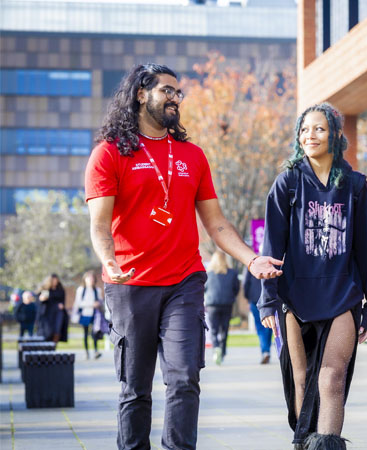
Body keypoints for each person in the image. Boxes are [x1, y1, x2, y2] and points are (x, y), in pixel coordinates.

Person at [84, 63, 283, 450]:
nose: (176, 98)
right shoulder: (108, 154)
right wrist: (109, 261)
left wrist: (251, 259)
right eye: (167, 91)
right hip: (130, 284)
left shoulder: (192, 156)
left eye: (179, 93)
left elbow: (217, 223)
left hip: (184, 282)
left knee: (184, 378)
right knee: (134, 388)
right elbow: (99, 223)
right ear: (141, 94)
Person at [258, 103, 367, 449]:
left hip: (343, 295)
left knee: (330, 379)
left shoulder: (355, 186)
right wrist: (268, 299)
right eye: (304, 130)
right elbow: (271, 246)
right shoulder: (288, 183)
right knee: (301, 380)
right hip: (295, 298)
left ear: (336, 135)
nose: (310, 135)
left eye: (319, 129)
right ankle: (302, 444)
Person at [204, 250, 240, 365]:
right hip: (227, 303)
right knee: (224, 329)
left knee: (214, 330)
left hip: (212, 304)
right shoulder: (232, 273)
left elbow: (204, 288)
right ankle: (223, 351)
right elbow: (236, 289)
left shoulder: (208, 274)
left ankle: (216, 349)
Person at [73, 271, 104, 360]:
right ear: (85, 279)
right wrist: (91, 304)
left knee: (95, 332)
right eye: (88, 278)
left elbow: (100, 301)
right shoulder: (81, 290)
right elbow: (78, 303)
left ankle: (96, 351)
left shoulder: (97, 290)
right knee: (85, 334)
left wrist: (98, 303)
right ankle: (86, 352)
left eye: (92, 278)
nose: (90, 280)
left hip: (95, 314)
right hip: (84, 314)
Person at [244, 268, 273, 364]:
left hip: (255, 299)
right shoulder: (270, 258)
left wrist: (247, 297)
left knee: (260, 327)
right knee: (269, 325)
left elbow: (246, 283)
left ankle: (265, 350)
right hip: (269, 297)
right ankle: (266, 350)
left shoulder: (251, 264)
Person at [35, 274, 68, 344]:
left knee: (57, 330)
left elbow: (63, 301)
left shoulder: (60, 290)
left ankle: (53, 347)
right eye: (53, 280)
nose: (55, 282)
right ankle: (47, 347)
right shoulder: (44, 290)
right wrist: (41, 299)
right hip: (47, 313)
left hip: (58, 313)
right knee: (48, 331)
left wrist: (62, 305)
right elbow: (38, 302)